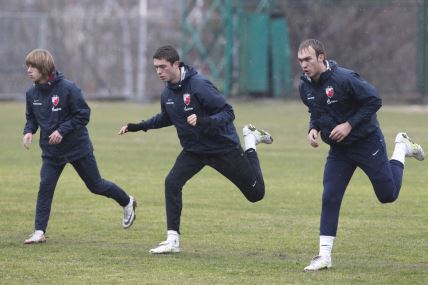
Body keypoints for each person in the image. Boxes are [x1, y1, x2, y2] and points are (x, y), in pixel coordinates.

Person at [118, 45, 273, 254]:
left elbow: (228, 113)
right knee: (172, 182)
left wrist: (204, 121)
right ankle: (172, 240)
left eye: (163, 67)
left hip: (222, 147)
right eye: (156, 67)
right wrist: (138, 126)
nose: (159, 72)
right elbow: (166, 118)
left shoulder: (199, 85)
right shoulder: (168, 93)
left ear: (176, 64)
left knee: (256, 194)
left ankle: (251, 140)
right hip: (194, 151)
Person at [297, 39, 425, 271]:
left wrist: (348, 125)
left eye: (308, 59)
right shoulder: (304, 87)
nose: (303, 65)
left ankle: (401, 147)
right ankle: (324, 256)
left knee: (387, 195)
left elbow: (374, 100)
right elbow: (316, 111)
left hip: (366, 142)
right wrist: (313, 129)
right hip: (340, 151)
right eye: (300, 61)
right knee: (330, 196)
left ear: (321, 57)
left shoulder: (345, 79)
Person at [22, 49, 137, 244]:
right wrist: (28, 131)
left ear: (44, 68)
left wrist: (62, 130)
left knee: (96, 185)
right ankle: (39, 232)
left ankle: (127, 201)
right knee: (45, 187)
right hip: (51, 152)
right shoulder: (31, 93)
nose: (29, 70)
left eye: (33, 66)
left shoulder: (68, 88)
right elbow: (32, 118)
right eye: (28, 66)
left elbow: (83, 114)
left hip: (77, 147)